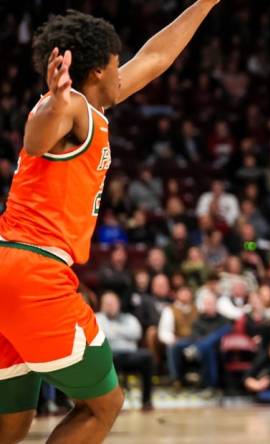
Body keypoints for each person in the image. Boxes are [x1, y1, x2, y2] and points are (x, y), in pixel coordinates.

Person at [0, 2, 223, 442]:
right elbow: (36, 138)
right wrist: (55, 100)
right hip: (35, 274)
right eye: (118, 60)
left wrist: (204, 3)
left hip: (9, 265)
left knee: (12, 421)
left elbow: (156, 58)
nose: (125, 67)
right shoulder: (68, 106)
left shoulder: (87, 107)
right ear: (100, 69)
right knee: (106, 404)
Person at [95, 292, 154, 410]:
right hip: (109, 355)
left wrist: (114, 330)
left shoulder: (129, 318)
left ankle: (146, 401)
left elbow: (136, 333)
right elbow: (102, 336)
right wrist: (123, 333)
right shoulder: (96, 318)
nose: (111, 306)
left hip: (129, 354)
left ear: (119, 304)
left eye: (113, 303)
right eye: (108, 304)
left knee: (147, 357)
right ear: (102, 305)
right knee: (111, 359)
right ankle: (113, 402)